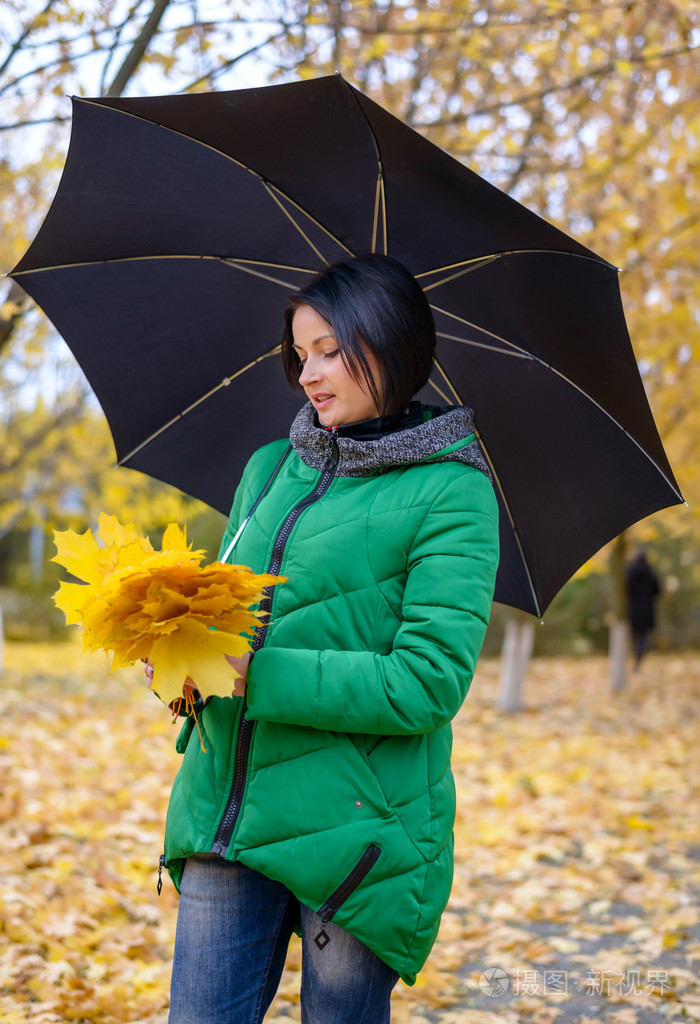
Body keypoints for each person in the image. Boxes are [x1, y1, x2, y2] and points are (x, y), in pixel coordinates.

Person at [149, 253, 500, 1024]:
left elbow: (427, 681)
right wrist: (185, 658)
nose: (309, 373)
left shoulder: (455, 490)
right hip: (227, 813)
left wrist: (253, 674)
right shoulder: (270, 468)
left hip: (358, 831)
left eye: (333, 350)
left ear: (395, 344)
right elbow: (229, 619)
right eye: (301, 353)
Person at [626, 548, 660, 669]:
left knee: (634, 636)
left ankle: (636, 659)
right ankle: (639, 660)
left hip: (633, 608)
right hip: (646, 609)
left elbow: (625, 589)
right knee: (642, 637)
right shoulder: (651, 573)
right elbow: (657, 591)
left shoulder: (630, 572)